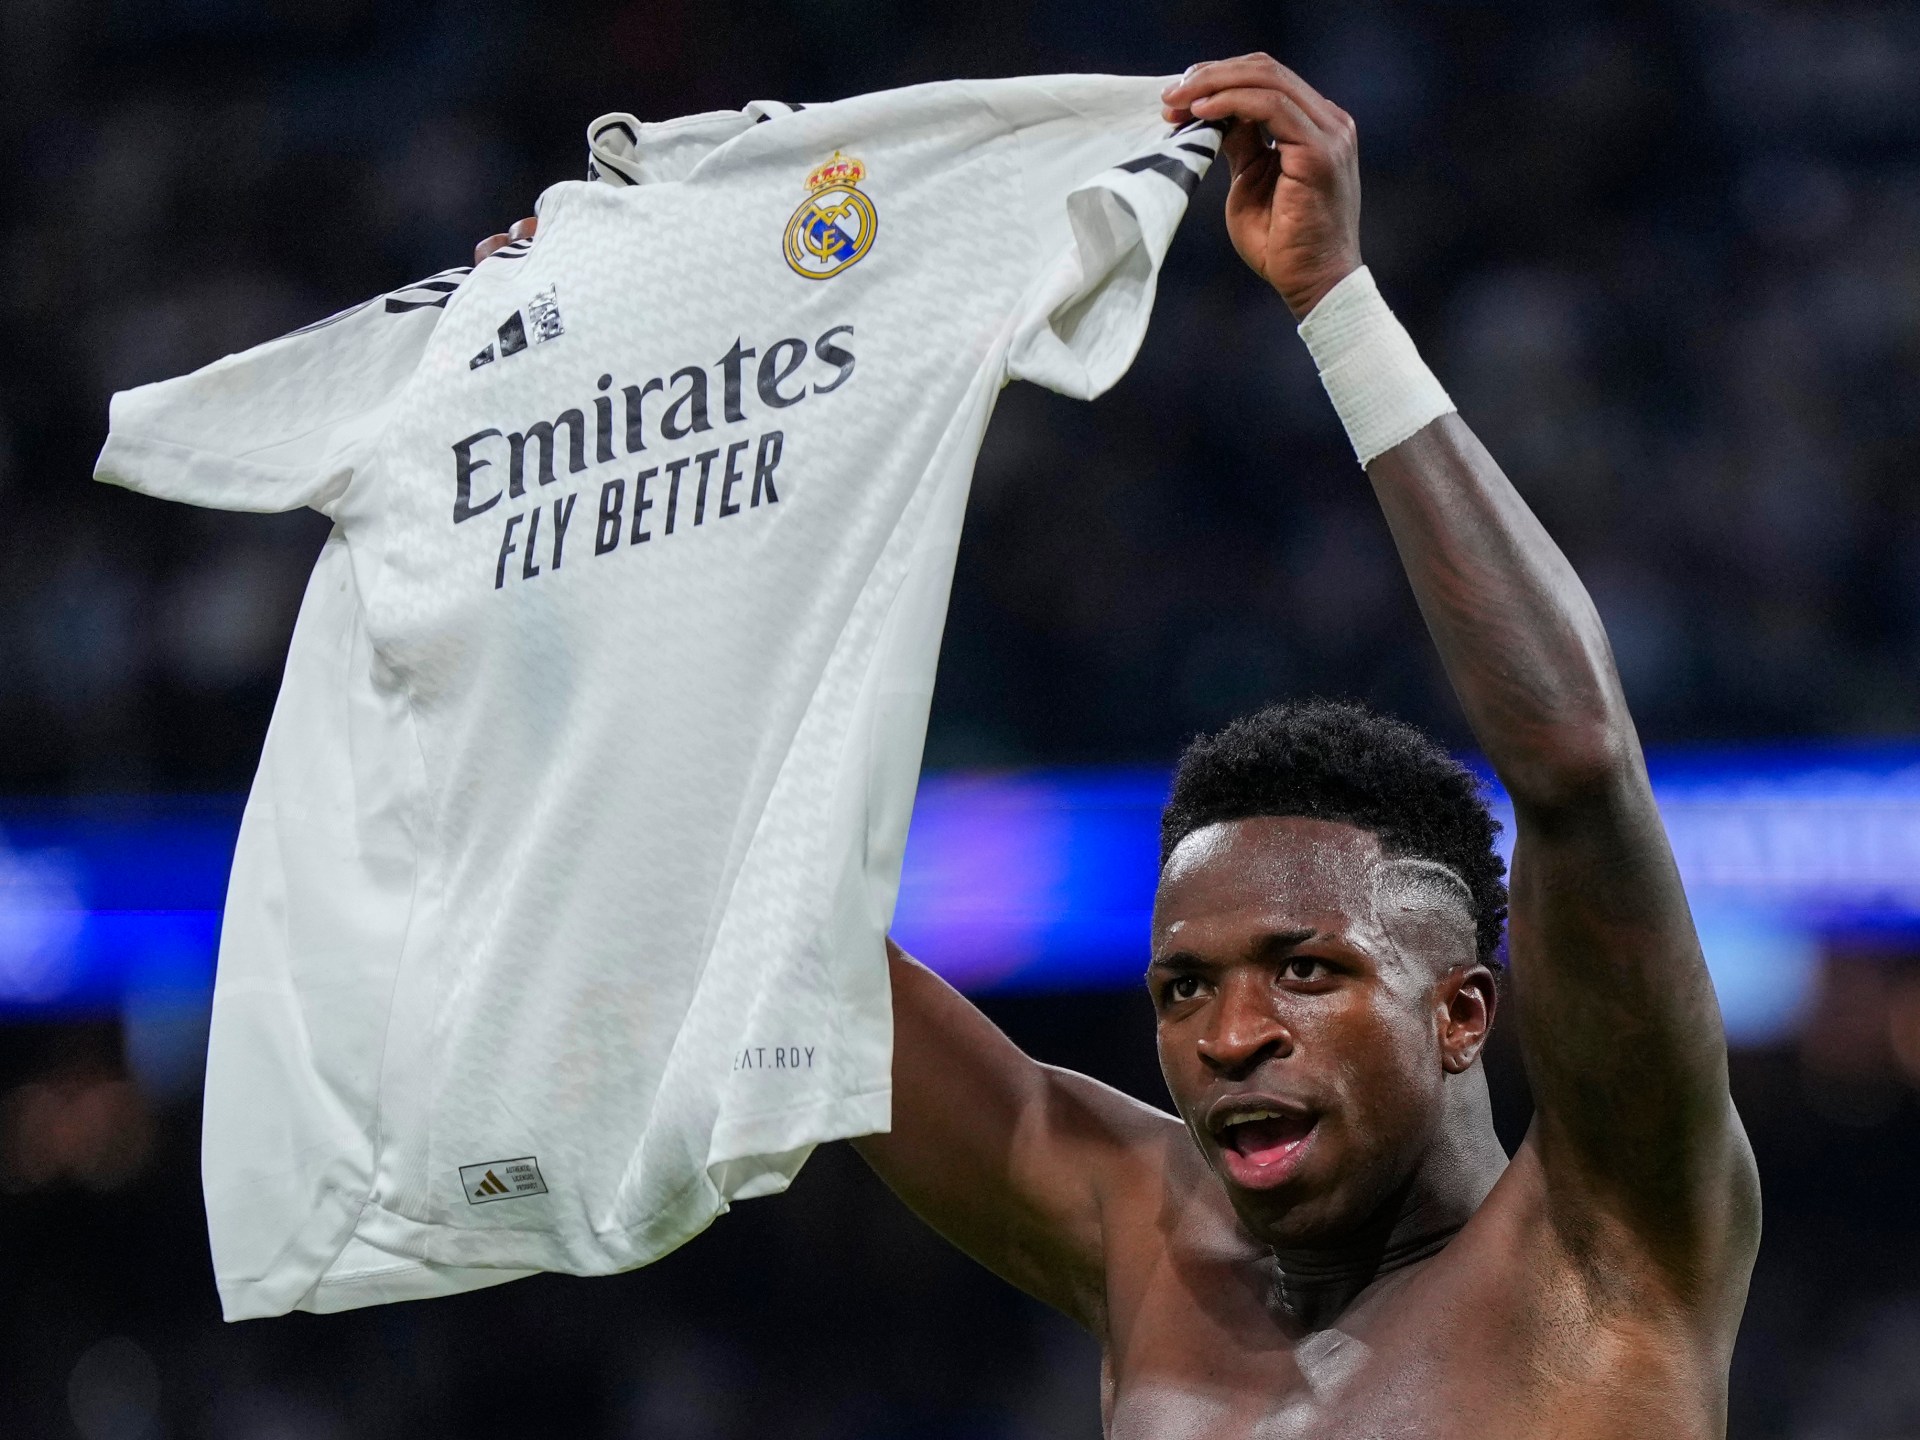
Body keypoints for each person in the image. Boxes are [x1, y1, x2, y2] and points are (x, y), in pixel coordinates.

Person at [481, 53, 1758, 1440]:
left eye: (1306, 969)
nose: (1232, 1036)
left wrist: (1333, 300)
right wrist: (571, 426)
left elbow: (1575, 761)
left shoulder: (1607, 1247)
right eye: (1183, 987)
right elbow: (744, 898)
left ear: (1460, 1012)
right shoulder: (1151, 1244)